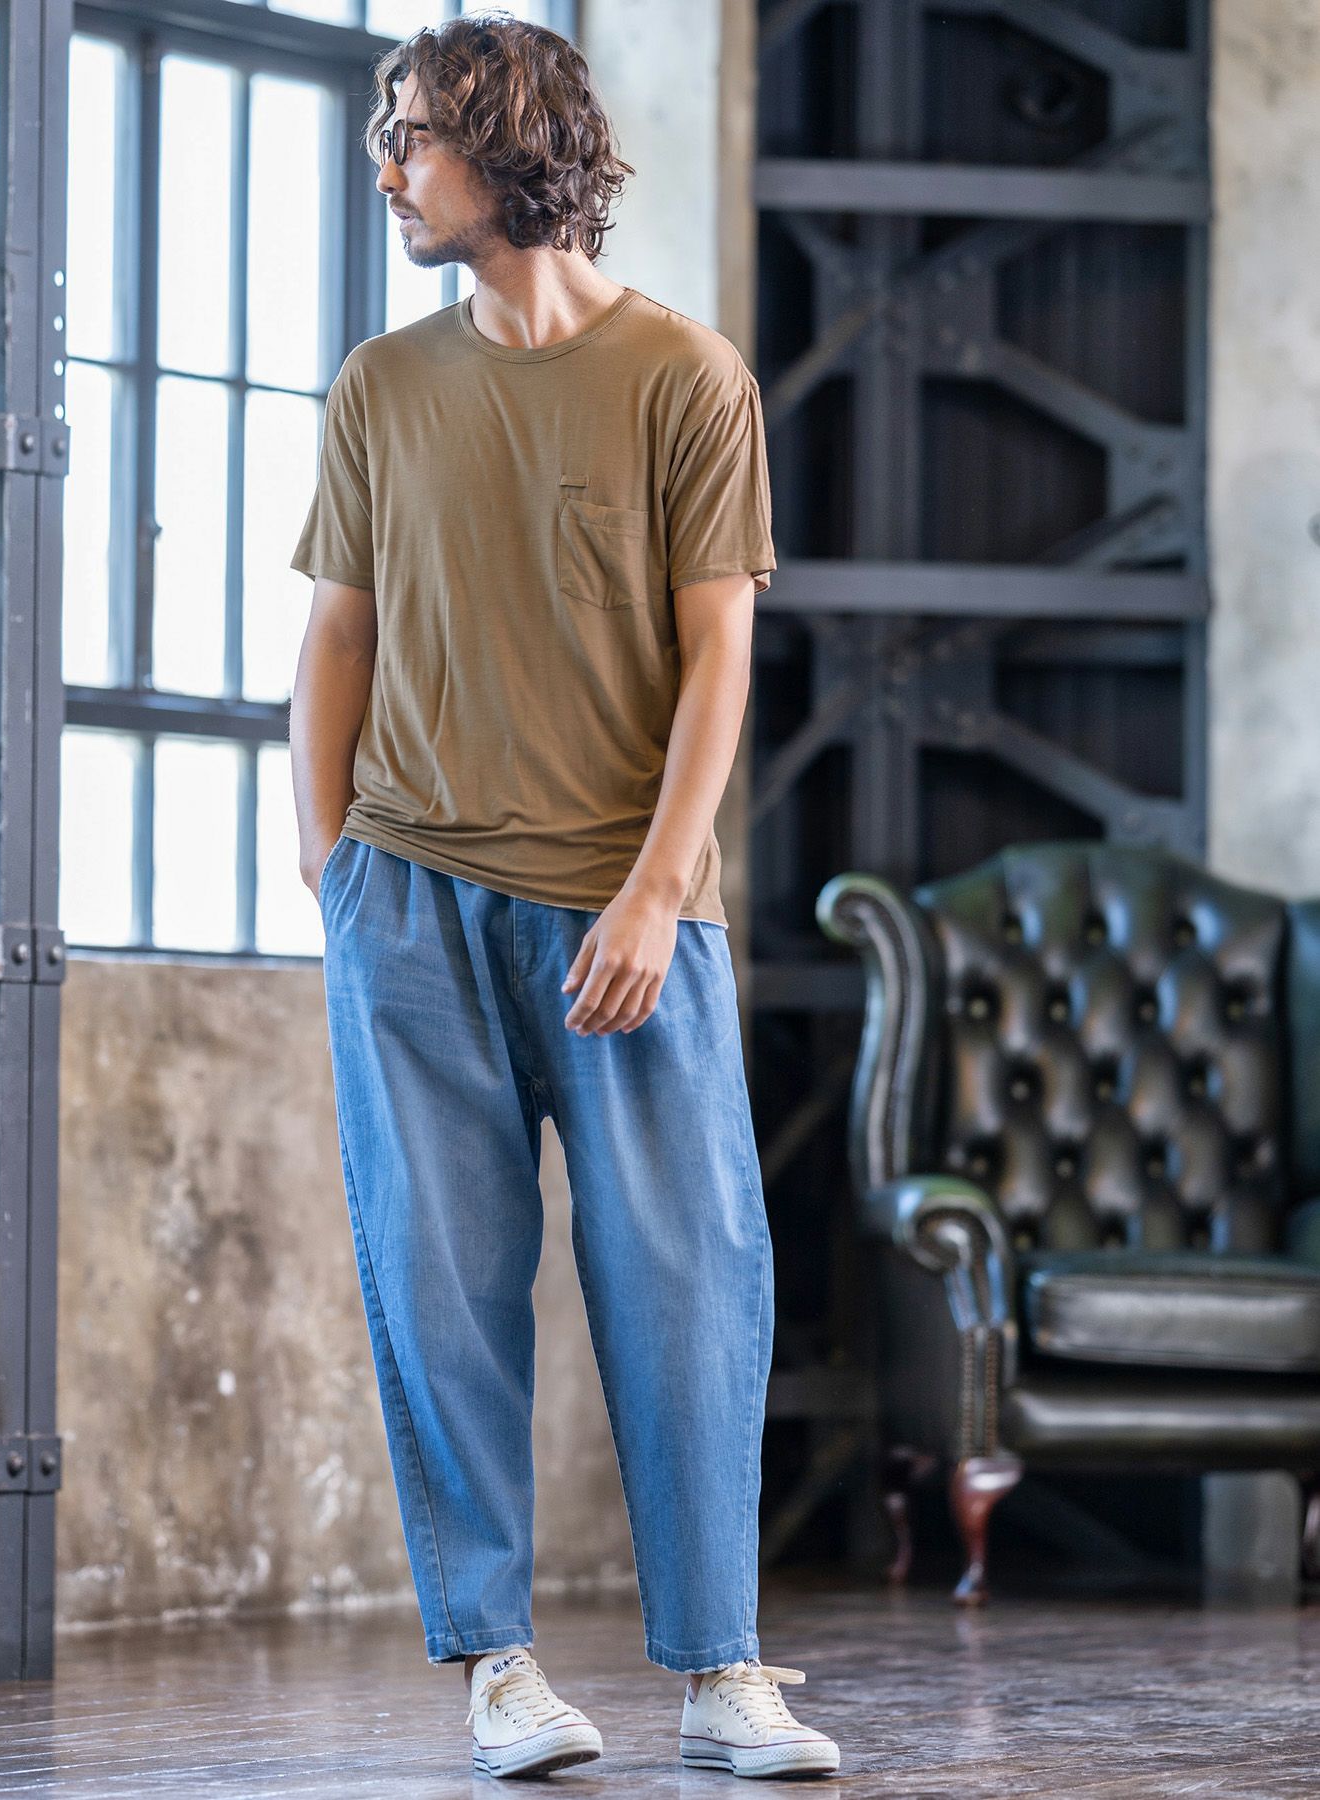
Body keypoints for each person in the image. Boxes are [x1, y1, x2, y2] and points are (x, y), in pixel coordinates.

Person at [287, 12, 839, 1783]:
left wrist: (658, 892)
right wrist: (332, 864)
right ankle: (497, 1668)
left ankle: (723, 1674)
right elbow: (338, 639)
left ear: (512, 145)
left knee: (689, 1285)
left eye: (414, 134)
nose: (387, 165)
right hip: (410, 906)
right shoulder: (381, 387)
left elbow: (719, 657)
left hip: (631, 915)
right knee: (440, 1290)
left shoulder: (687, 375)